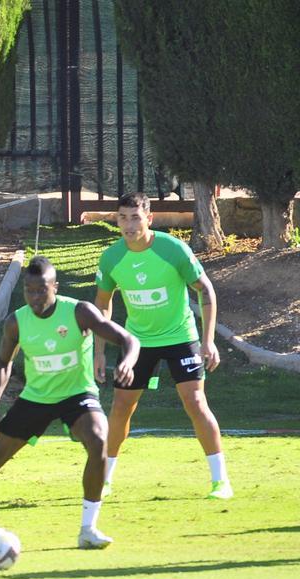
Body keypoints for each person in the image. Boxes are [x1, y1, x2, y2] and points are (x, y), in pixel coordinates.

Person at [0, 256, 140, 549]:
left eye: (41, 290)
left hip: (77, 394)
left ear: (54, 287)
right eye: (29, 290)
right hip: (37, 398)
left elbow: (128, 340)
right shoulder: (16, 322)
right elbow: (3, 363)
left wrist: (128, 362)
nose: (35, 297)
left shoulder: (79, 312)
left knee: (98, 441)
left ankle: (88, 529)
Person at [94, 192, 231, 499]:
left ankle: (220, 481)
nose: (128, 225)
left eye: (135, 218)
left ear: (149, 219)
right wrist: (99, 352)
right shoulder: (112, 257)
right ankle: (103, 479)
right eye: (122, 218)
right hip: (136, 343)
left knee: (195, 403)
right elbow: (103, 305)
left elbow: (205, 290)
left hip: (181, 338)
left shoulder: (173, 249)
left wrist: (208, 341)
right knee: (120, 407)